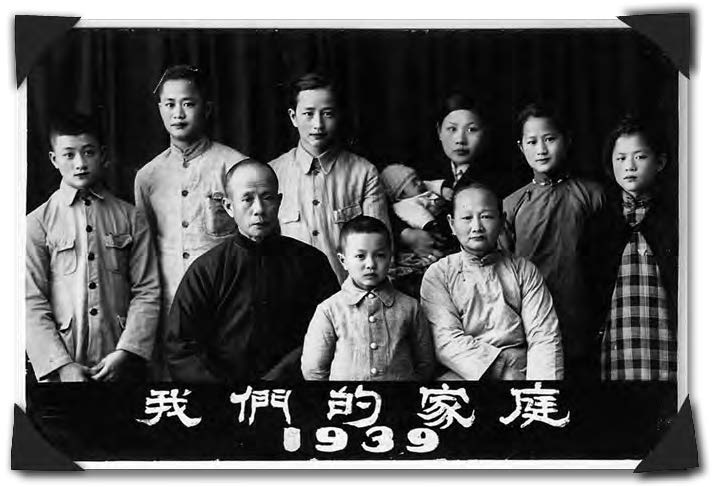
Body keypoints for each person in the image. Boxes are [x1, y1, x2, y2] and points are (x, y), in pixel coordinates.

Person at [165, 160, 340, 382]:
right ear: (229, 207)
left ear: (279, 202)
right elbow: (180, 346)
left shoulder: (311, 262)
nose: (258, 209)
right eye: (247, 199)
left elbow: (331, 329)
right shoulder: (206, 270)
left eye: (267, 198)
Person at [134, 65, 251, 378]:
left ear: (207, 108)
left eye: (188, 103)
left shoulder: (234, 166)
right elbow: (144, 255)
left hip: (223, 306)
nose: (178, 113)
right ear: (159, 109)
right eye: (169, 104)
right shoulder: (147, 177)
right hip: (169, 307)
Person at [26, 113, 160, 382]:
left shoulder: (131, 218)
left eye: (88, 152)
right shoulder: (37, 223)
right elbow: (30, 300)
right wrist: (61, 365)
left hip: (119, 361)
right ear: (54, 160)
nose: (80, 164)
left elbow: (148, 290)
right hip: (62, 366)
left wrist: (126, 351)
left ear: (103, 154)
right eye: (69, 155)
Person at [502, 102, 605, 380]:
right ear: (521, 147)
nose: (541, 149)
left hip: (583, 316)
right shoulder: (511, 205)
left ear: (567, 140)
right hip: (531, 324)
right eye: (532, 142)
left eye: (550, 139)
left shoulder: (593, 195)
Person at [421, 181, 563, 380]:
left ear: (501, 220)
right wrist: (500, 369)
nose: (477, 227)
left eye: (486, 216)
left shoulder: (524, 270)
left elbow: (544, 336)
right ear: (452, 224)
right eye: (467, 218)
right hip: (466, 371)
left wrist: (539, 387)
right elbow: (445, 340)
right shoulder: (439, 274)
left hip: (522, 369)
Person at [269, 72, 390, 283]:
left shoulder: (364, 173)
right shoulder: (273, 173)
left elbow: (380, 248)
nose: (318, 124)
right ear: (292, 117)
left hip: (346, 299)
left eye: (327, 114)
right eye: (308, 114)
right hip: (290, 298)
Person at [591, 117, 677, 381]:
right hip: (618, 338)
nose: (629, 167)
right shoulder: (600, 223)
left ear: (660, 162)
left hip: (667, 338)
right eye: (620, 159)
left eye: (639, 157)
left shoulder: (676, 218)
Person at [301, 216, 434, 381]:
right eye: (360, 256)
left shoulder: (410, 307)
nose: (370, 264)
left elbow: (425, 362)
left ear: (390, 257)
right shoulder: (329, 310)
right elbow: (313, 369)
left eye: (379, 255)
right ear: (343, 261)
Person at [396, 92, 501, 276]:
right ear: (439, 131)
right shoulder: (419, 171)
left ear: (485, 132)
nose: (460, 139)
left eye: (471, 130)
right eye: (452, 129)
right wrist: (407, 235)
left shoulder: (497, 178)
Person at [380, 163, 458, 297]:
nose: (420, 182)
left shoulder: (420, 190)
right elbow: (419, 215)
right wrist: (430, 224)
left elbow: (430, 184)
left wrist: (443, 189)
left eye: (418, 178)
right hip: (430, 229)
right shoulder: (406, 205)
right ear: (402, 193)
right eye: (414, 182)